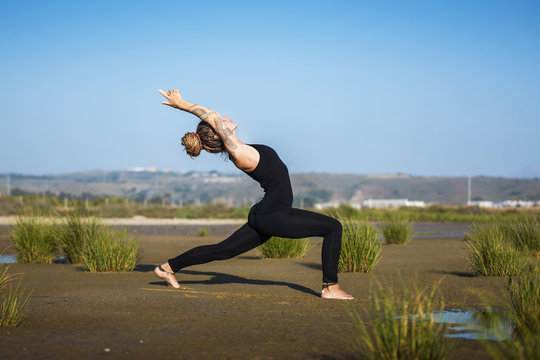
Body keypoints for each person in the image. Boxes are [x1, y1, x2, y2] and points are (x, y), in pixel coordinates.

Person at [154, 89, 353, 300]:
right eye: (222, 121)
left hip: (267, 214)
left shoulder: (240, 149)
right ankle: (330, 287)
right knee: (333, 227)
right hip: (273, 214)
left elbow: (214, 118)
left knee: (222, 251)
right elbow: (211, 115)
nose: (226, 118)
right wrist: (181, 103)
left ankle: (168, 267)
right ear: (217, 134)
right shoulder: (238, 152)